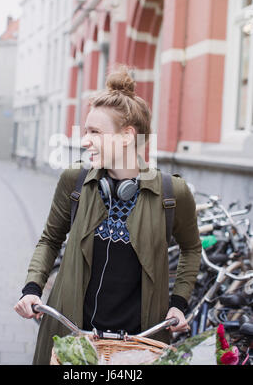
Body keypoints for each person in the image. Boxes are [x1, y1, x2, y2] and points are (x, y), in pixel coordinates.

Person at [14, 65, 202, 365]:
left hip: (139, 343)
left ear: (128, 136)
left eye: (95, 133)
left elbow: (192, 249)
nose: (85, 140)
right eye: (86, 131)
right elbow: (50, 239)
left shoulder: (172, 193)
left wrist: (178, 303)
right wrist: (32, 288)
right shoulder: (74, 181)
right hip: (71, 335)